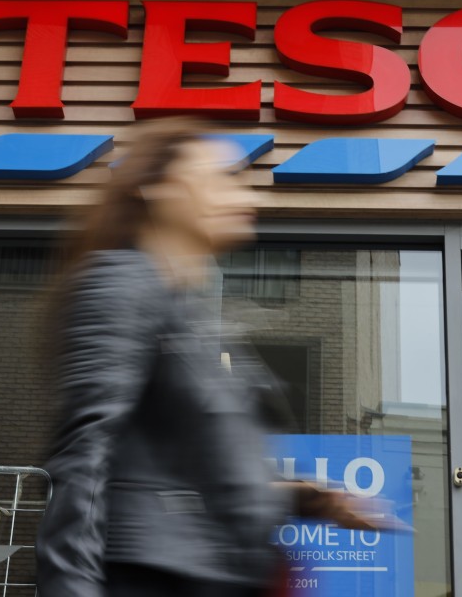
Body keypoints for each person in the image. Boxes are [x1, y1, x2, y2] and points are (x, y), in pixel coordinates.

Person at [35, 118, 369, 597]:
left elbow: (191, 473)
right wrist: (71, 588)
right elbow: (84, 451)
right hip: (152, 581)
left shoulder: (192, 315)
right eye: (221, 178)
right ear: (158, 189)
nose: (244, 195)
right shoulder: (120, 283)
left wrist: (308, 499)